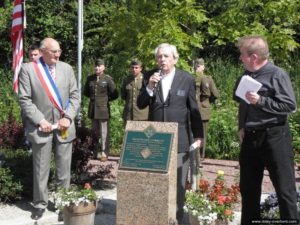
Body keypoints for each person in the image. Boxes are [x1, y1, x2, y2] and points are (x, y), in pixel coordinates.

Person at [233, 35, 299, 225]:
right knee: (248, 189)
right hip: (250, 138)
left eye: (242, 55)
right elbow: (242, 103)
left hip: (274, 137)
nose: (240, 58)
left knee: (285, 190)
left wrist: (261, 101)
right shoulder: (246, 75)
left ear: (253, 57)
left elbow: (289, 106)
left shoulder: (277, 74)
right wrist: (242, 126)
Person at [137, 43, 203, 224]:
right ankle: (158, 216)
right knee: (157, 180)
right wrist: (149, 87)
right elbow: (141, 104)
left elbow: (194, 108)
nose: (162, 60)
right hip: (156, 138)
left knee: (179, 183)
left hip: (180, 138)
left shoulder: (186, 78)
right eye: (159, 56)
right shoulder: (150, 76)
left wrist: (199, 136)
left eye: (166, 56)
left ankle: (177, 218)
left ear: (175, 59)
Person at [18, 37, 80, 220]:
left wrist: (68, 117)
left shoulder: (67, 69)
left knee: (63, 169)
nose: (58, 54)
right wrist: (39, 120)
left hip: (64, 127)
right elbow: (24, 99)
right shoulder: (28, 69)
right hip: (41, 128)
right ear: (43, 51)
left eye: (59, 51)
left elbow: (75, 96)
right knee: (41, 169)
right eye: (54, 52)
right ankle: (39, 204)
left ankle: (62, 204)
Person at [83, 58, 118, 161]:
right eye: (96, 66)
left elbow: (115, 94)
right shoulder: (90, 79)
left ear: (103, 67)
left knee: (104, 132)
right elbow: (86, 92)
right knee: (94, 133)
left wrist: (106, 100)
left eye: (99, 66)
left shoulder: (107, 79)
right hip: (93, 109)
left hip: (103, 110)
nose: (97, 68)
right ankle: (93, 152)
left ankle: (104, 153)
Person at [194, 58, 219, 161]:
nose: (198, 68)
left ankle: (196, 156)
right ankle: (198, 157)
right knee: (199, 134)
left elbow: (215, 94)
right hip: (200, 110)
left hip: (196, 110)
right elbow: (216, 94)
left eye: (198, 66)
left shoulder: (193, 78)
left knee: (197, 133)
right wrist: (208, 102)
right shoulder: (205, 79)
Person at [21, 44, 42, 150]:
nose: (33, 57)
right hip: (29, 105)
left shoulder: (46, 69)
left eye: (35, 54)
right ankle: (28, 151)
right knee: (28, 129)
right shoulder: (25, 69)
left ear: (41, 54)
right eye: (31, 55)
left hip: (41, 105)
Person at [121, 59, 149, 126]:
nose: (134, 69)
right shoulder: (127, 80)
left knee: (141, 135)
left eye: (136, 68)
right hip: (129, 114)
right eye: (132, 67)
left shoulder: (146, 79)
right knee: (128, 135)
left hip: (142, 115)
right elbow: (123, 96)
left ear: (141, 68)